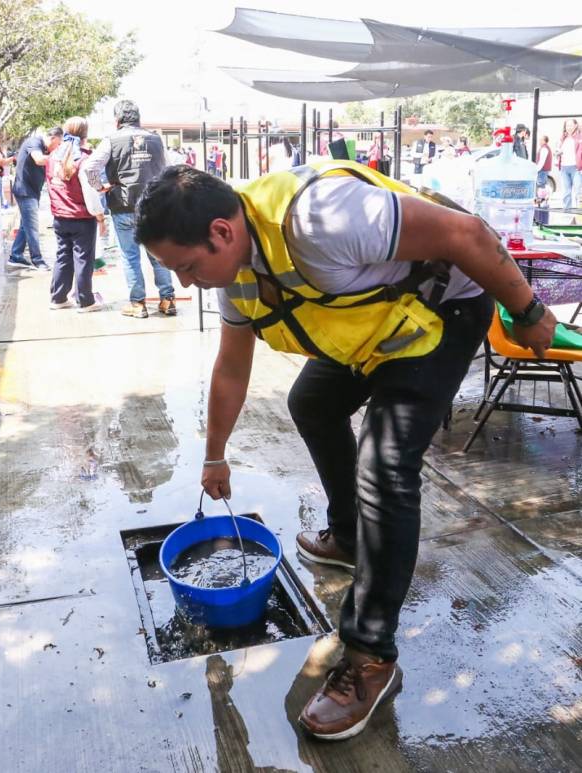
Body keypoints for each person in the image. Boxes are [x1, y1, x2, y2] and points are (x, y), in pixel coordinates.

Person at [134, 163, 556, 741]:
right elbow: (232, 367)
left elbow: (469, 235)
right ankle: (351, 536)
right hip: (368, 325)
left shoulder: (320, 219)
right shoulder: (234, 274)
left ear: (222, 232)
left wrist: (528, 312)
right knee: (312, 403)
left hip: (441, 313)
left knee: (384, 469)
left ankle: (370, 656)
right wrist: (214, 456)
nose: (185, 283)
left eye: (187, 266)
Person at [84, 99, 176, 318]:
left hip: (123, 204)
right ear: (138, 118)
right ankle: (168, 300)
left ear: (117, 120)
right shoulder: (155, 139)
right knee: (158, 253)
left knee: (130, 256)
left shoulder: (111, 140)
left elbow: (90, 167)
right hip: (154, 205)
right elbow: (170, 169)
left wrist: (101, 187)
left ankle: (138, 304)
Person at [45, 117, 106, 313]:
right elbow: (92, 191)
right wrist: (100, 216)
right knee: (83, 258)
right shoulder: (85, 159)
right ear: (85, 136)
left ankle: (58, 297)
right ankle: (85, 301)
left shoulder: (53, 157)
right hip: (81, 218)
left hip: (60, 217)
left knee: (63, 256)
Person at [7, 127, 63, 271]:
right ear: (53, 138)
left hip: (31, 192)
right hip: (25, 191)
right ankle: (37, 260)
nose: (57, 147)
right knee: (32, 227)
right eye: (58, 144)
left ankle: (16, 255)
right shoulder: (34, 142)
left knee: (25, 225)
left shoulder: (45, 149)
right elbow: (38, 160)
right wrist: (59, 158)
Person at [557, 118, 582, 211]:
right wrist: (557, 153)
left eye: (571, 125)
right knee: (566, 192)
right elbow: (558, 151)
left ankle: (580, 212)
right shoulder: (563, 138)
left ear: (575, 125)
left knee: (578, 192)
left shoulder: (580, 137)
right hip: (564, 168)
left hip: (576, 168)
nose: (569, 127)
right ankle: (567, 212)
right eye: (567, 125)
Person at [536, 135, 553, 204]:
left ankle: (541, 200)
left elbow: (541, 161)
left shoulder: (544, 149)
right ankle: (544, 199)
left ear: (544, 141)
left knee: (541, 184)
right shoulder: (545, 148)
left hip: (542, 170)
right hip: (544, 169)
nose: (539, 141)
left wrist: (537, 169)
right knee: (543, 184)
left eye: (541, 140)